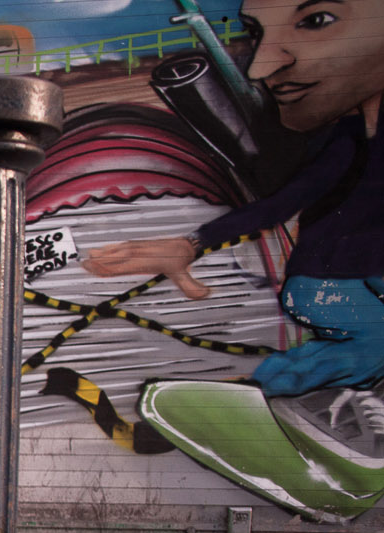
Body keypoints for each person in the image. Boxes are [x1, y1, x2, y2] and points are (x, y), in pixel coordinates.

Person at [83, 0, 384, 398]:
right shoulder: (349, 141)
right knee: (377, 340)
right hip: (328, 283)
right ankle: (259, 390)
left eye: (315, 21)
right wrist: (192, 242)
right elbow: (283, 202)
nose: (259, 68)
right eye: (257, 33)